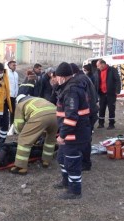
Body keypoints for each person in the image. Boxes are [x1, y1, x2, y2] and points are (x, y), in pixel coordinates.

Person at [54, 62, 91, 199]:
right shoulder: (68, 88)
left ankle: (75, 191)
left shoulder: (71, 90)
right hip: (71, 133)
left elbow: (71, 117)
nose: (57, 79)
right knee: (62, 158)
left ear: (62, 77)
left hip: (74, 134)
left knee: (72, 161)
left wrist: (62, 135)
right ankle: (66, 182)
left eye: (57, 77)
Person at [9, 95, 57, 175]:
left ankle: (21, 167)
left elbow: (19, 126)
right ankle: (46, 160)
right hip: (56, 114)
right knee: (50, 138)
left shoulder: (20, 105)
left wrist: (24, 132)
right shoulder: (38, 99)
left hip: (41, 116)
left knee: (24, 138)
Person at [70, 63, 98, 171]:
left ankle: (85, 163)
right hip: (91, 111)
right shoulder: (84, 78)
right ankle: (85, 161)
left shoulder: (79, 80)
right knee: (86, 138)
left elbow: (85, 98)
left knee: (84, 139)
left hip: (88, 113)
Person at [96, 59, 121, 129]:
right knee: (101, 108)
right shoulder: (97, 72)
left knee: (111, 109)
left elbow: (117, 80)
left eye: (98, 65)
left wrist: (117, 90)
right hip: (102, 93)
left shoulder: (112, 70)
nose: (98, 67)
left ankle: (111, 124)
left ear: (103, 64)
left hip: (111, 93)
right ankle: (101, 123)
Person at [7, 61, 19, 126]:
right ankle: (4, 125)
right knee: (6, 112)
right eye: (13, 65)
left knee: (13, 112)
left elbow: (16, 85)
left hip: (14, 96)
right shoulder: (6, 73)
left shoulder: (16, 74)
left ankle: (11, 125)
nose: (15, 67)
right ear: (9, 65)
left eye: (15, 65)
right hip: (8, 96)